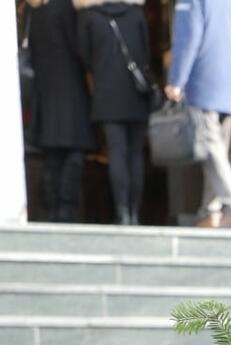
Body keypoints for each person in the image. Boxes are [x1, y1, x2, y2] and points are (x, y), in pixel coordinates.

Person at [164, 0, 231, 229]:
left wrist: (176, 80)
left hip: (204, 82)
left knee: (211, 149)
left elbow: (187, 38)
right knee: (216, 148)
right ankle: (209, 212)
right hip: (229, 85)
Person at [74, 0, 152, 225]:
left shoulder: (88, 17)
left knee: (117, 153)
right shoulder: (137, 14)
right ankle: (135, 211)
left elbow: (85, 58)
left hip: (107, 94)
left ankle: (122, 213)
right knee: (136, 155)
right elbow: (145, 52)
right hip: (135, 94)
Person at [24, 0, 95, 223]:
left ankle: (52, 209)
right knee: (74, 153)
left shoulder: (35, 14)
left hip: (45, 91)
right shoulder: (67, 10)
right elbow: (81, 51)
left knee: (51, 157)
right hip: (71, 90)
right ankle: (66, 209)